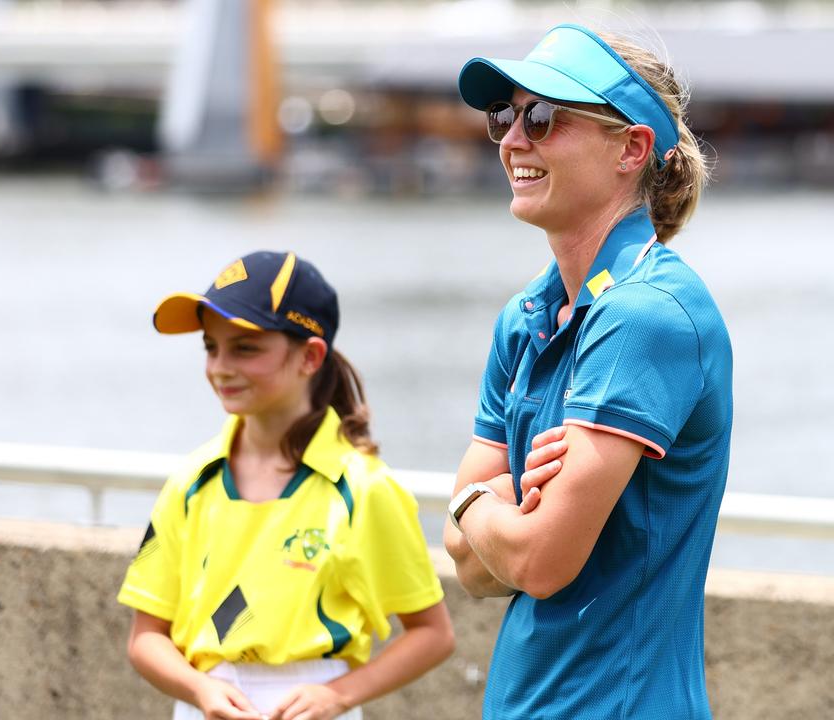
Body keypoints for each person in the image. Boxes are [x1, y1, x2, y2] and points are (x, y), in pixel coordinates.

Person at [443, 24, 733, 719]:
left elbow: (539, 561)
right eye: (503, 118)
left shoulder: (647, 315)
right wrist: (488, 516)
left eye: (542, 117)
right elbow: (469, 567)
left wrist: (474, 501)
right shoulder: (528, 315)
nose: (514, 140)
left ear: (630, 150)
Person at [119, 251, 454, 720]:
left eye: (246, 347)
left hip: (315, 705)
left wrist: (338, 694)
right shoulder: (190, 482)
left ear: (310, 356)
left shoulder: (364, 487)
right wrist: (199, 690)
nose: (220, 367)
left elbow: (433, 634)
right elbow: (145, 637)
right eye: (210, 347)